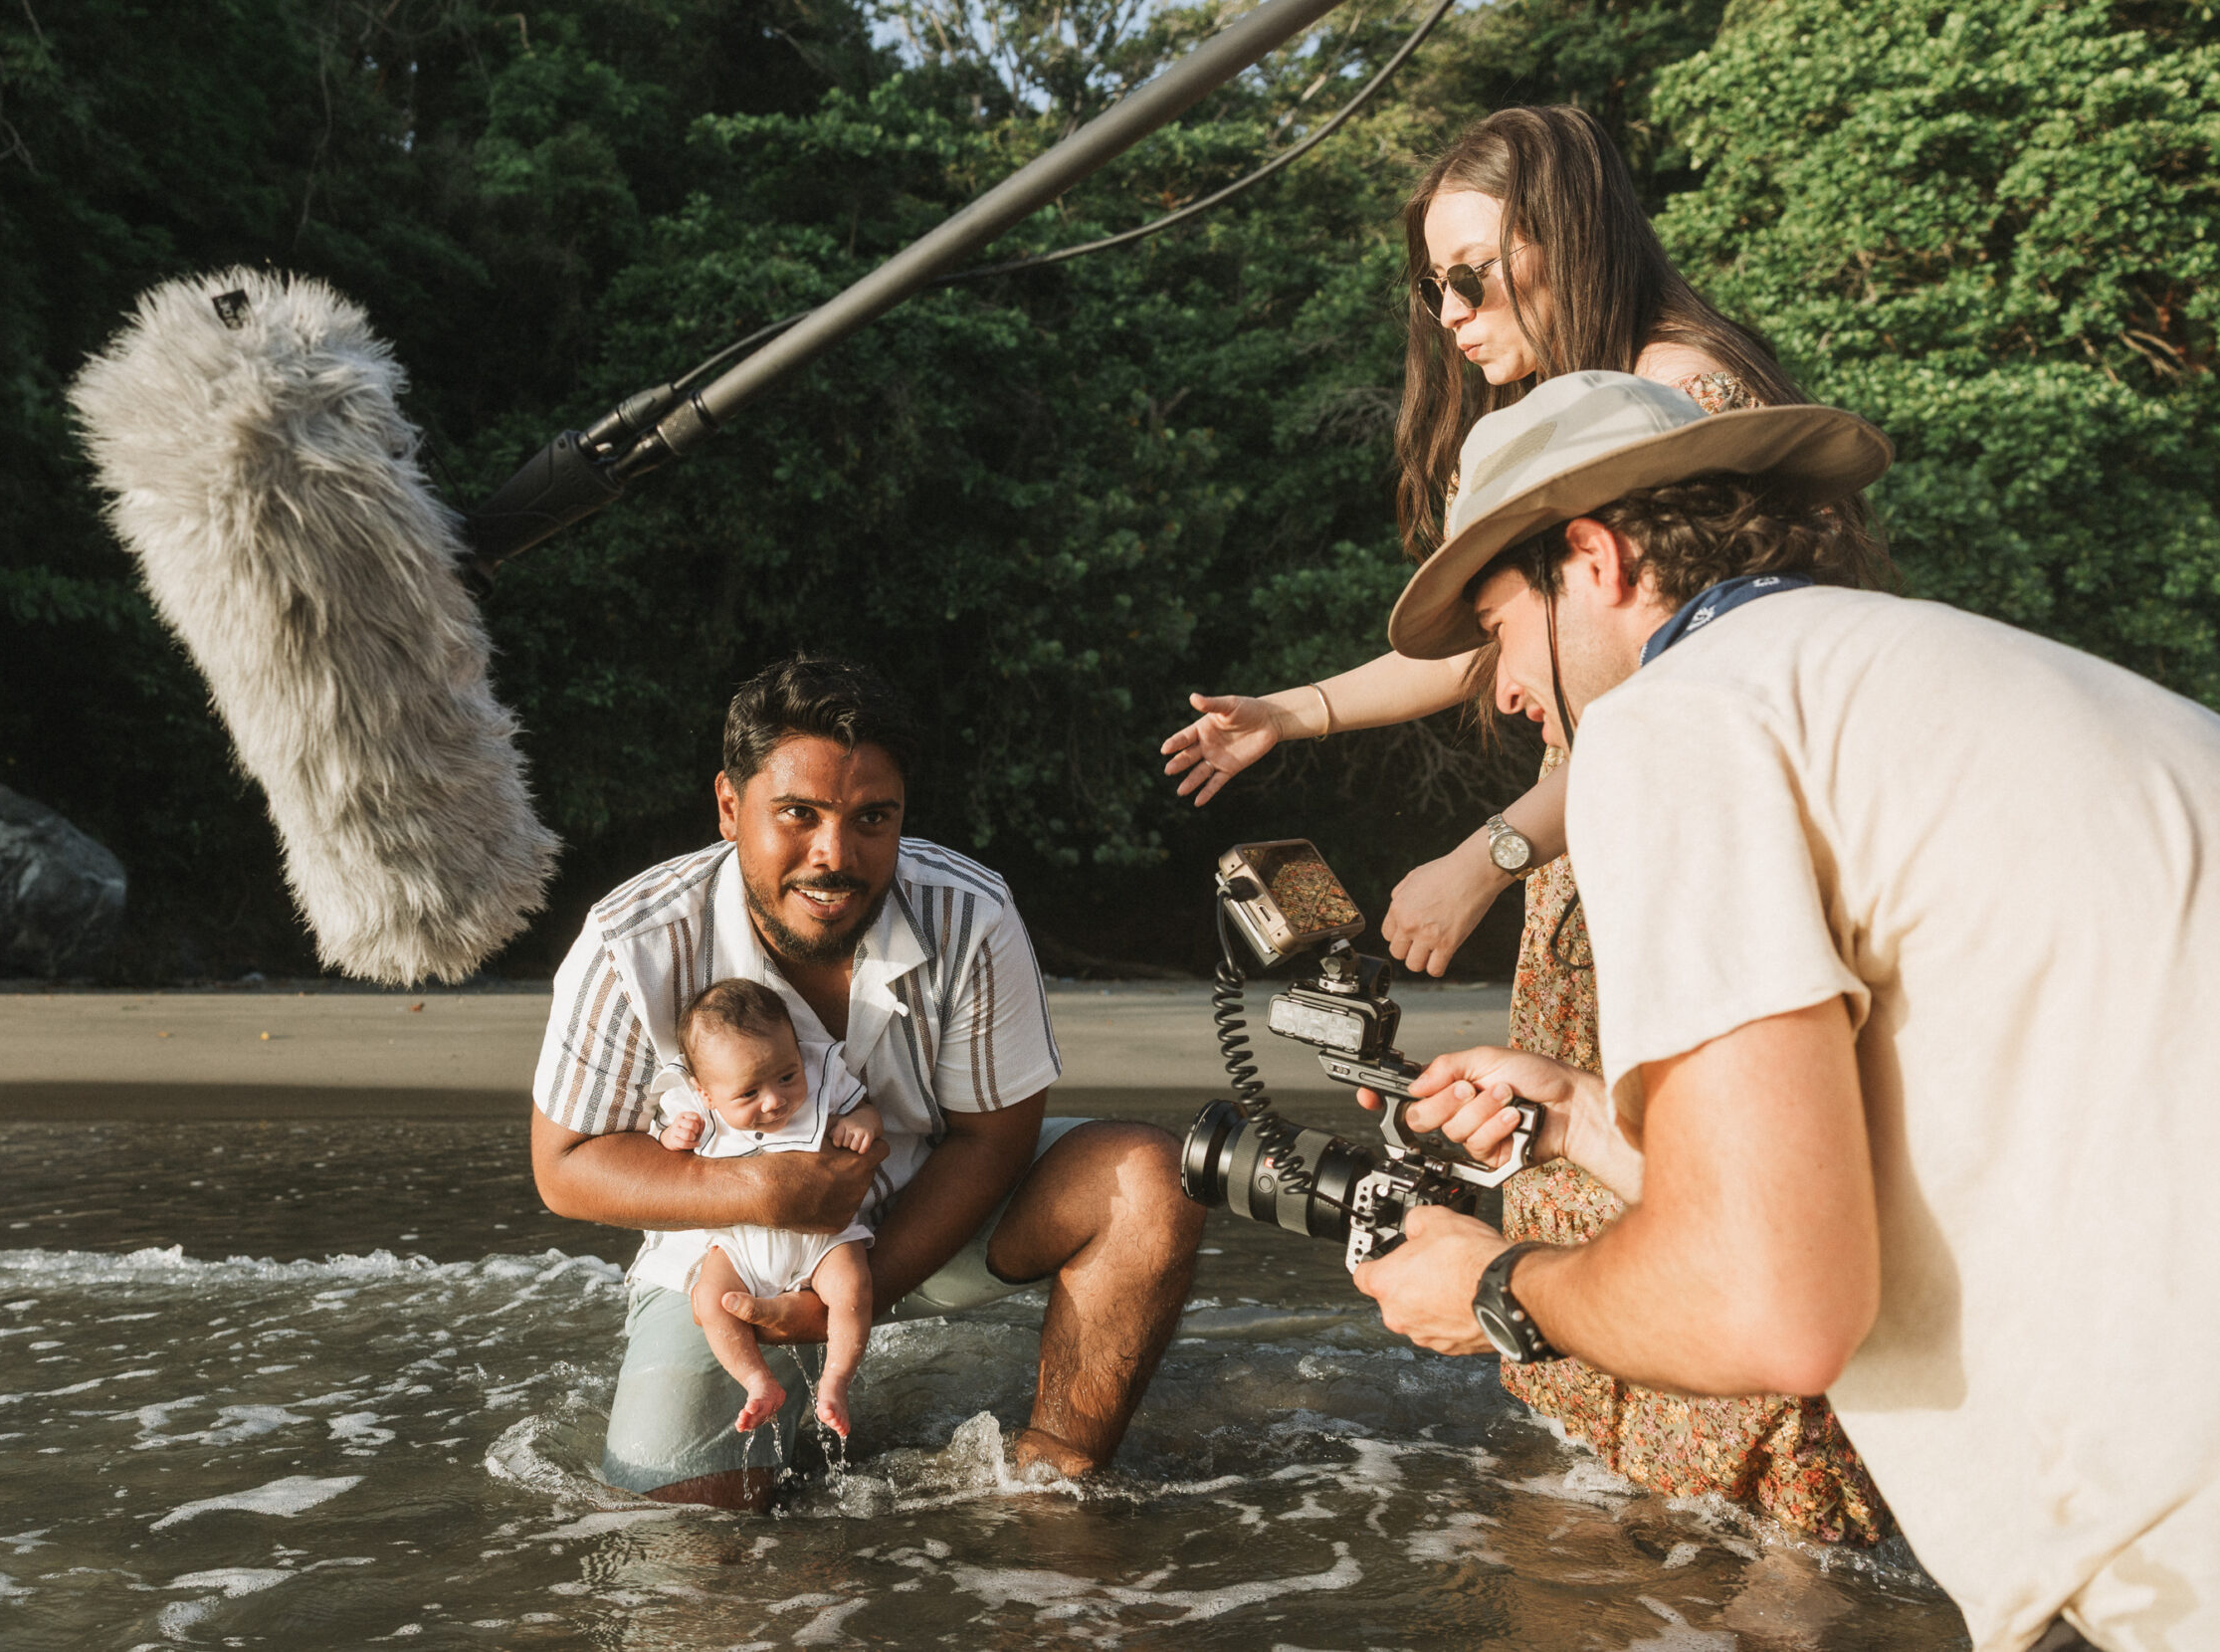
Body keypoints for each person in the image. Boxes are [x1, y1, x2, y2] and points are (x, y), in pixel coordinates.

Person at [1358, 367, 2220, 1652]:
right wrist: (1585, 1121)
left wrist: (1496, 1289)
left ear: (1589, 559)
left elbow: (1774, 1304)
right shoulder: (1906, 664)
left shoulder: (1671, 724)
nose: (1496, 689)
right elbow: (1889, 1164)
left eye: (1497, 624)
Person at [1160, 104, 1888, 1544]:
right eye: (1430, 284)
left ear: (1567, 243)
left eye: (1472, 275)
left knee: (1728, 1193)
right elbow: (1486, 640)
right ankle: (1647, 1542)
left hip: (1671, 850)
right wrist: (1287, 713)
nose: (1445, 313)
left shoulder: (1681, 387)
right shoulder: (1562, 413)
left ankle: (1779, 1540)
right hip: (1611, 849)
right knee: (1585, 1174)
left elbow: (1686, 683)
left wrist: (1491, 851)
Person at [529, 653, 1205, 1511]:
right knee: (682, 1529)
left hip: (937, 1215)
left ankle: (1051, 1493)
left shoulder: (972, 913)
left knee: (1154, 1180)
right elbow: (563, 1165)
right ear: (731, 809)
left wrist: (856, 1292)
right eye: (798, 815)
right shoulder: (634, 939)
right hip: (736, 1262)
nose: (834, 856)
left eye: (871, 819)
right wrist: (756, 1191)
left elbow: (994, 1137)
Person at [652, 978, 880, 1439]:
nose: (775, 1100)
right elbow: (662, 1157)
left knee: (853, 1288)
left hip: (823, 1239)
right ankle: (758, 1382)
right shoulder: (695, 1110)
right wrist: (671, 1136)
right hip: (741, 1245)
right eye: (748, 1094)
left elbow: (869, 1111)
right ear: (707, 1093)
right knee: (710, 1301)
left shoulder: (822, 1078)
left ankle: (836, 1380)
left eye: (786, 1076)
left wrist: (859, 1124)